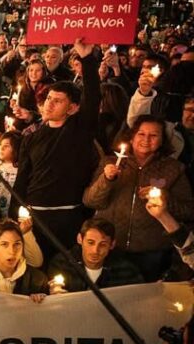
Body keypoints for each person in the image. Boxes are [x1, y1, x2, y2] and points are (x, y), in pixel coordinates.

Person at [16, 39, 101, 254]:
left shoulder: (79, 131)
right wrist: (13, 216)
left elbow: (92, 97)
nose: (49, 104)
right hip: (35, 216)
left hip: (68, 217)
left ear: (72, 108)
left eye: (58, 101)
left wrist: (87, 58)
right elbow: (22, 179)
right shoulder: (31, 137)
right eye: (48, 99)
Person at [83, 115, 193, 280]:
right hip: (111, 247)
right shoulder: (111, 162)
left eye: (153, 135)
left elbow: (188, 211)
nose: (146, 140)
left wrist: (166, 198)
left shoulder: (173, 169)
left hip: (151, 252)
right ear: (132, 137)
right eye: (141, 134)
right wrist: (106, 180)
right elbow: (90, 201)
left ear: (162, 140)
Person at [47, 218, 144, 292]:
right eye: (90, 242)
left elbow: (138, 298)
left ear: (112, 244)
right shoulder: (62, 264)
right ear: (80, 239)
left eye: (103, 244)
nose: (95, 250)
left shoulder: (126, 270)